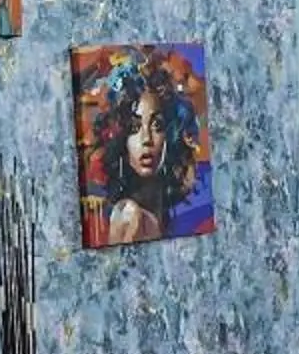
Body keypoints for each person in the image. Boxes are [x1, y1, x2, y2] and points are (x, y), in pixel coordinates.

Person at [85, 49, 209, 244]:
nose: (146, 139)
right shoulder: (129, 214)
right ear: (120, 140)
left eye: (157, 126)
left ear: (171, 135)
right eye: (134, 128)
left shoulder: (165, 214)